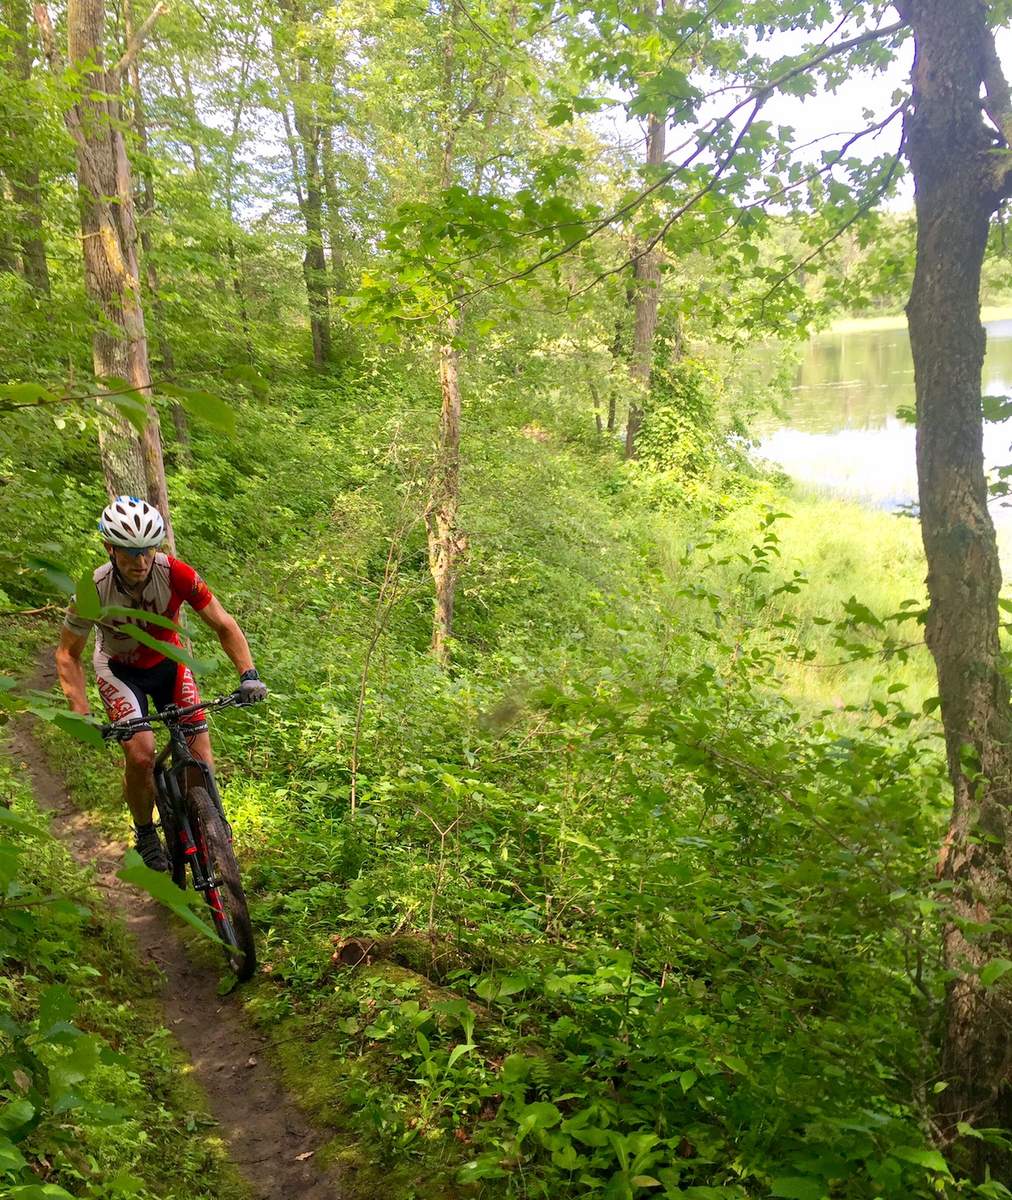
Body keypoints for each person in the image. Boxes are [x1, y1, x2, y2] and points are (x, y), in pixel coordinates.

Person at [55, 495, 268, 871]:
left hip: (169, 663)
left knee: (199, 752)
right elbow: (67, 654)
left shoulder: (177, 573)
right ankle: (146, 832)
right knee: (141, 755)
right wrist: (81, 711)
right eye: (129, 552)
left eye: (147, 551)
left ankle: (209, 823)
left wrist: (249, 675)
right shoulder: (93, 589)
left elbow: (224, 624)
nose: (140, 562)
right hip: (119, 670)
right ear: (109, 548)